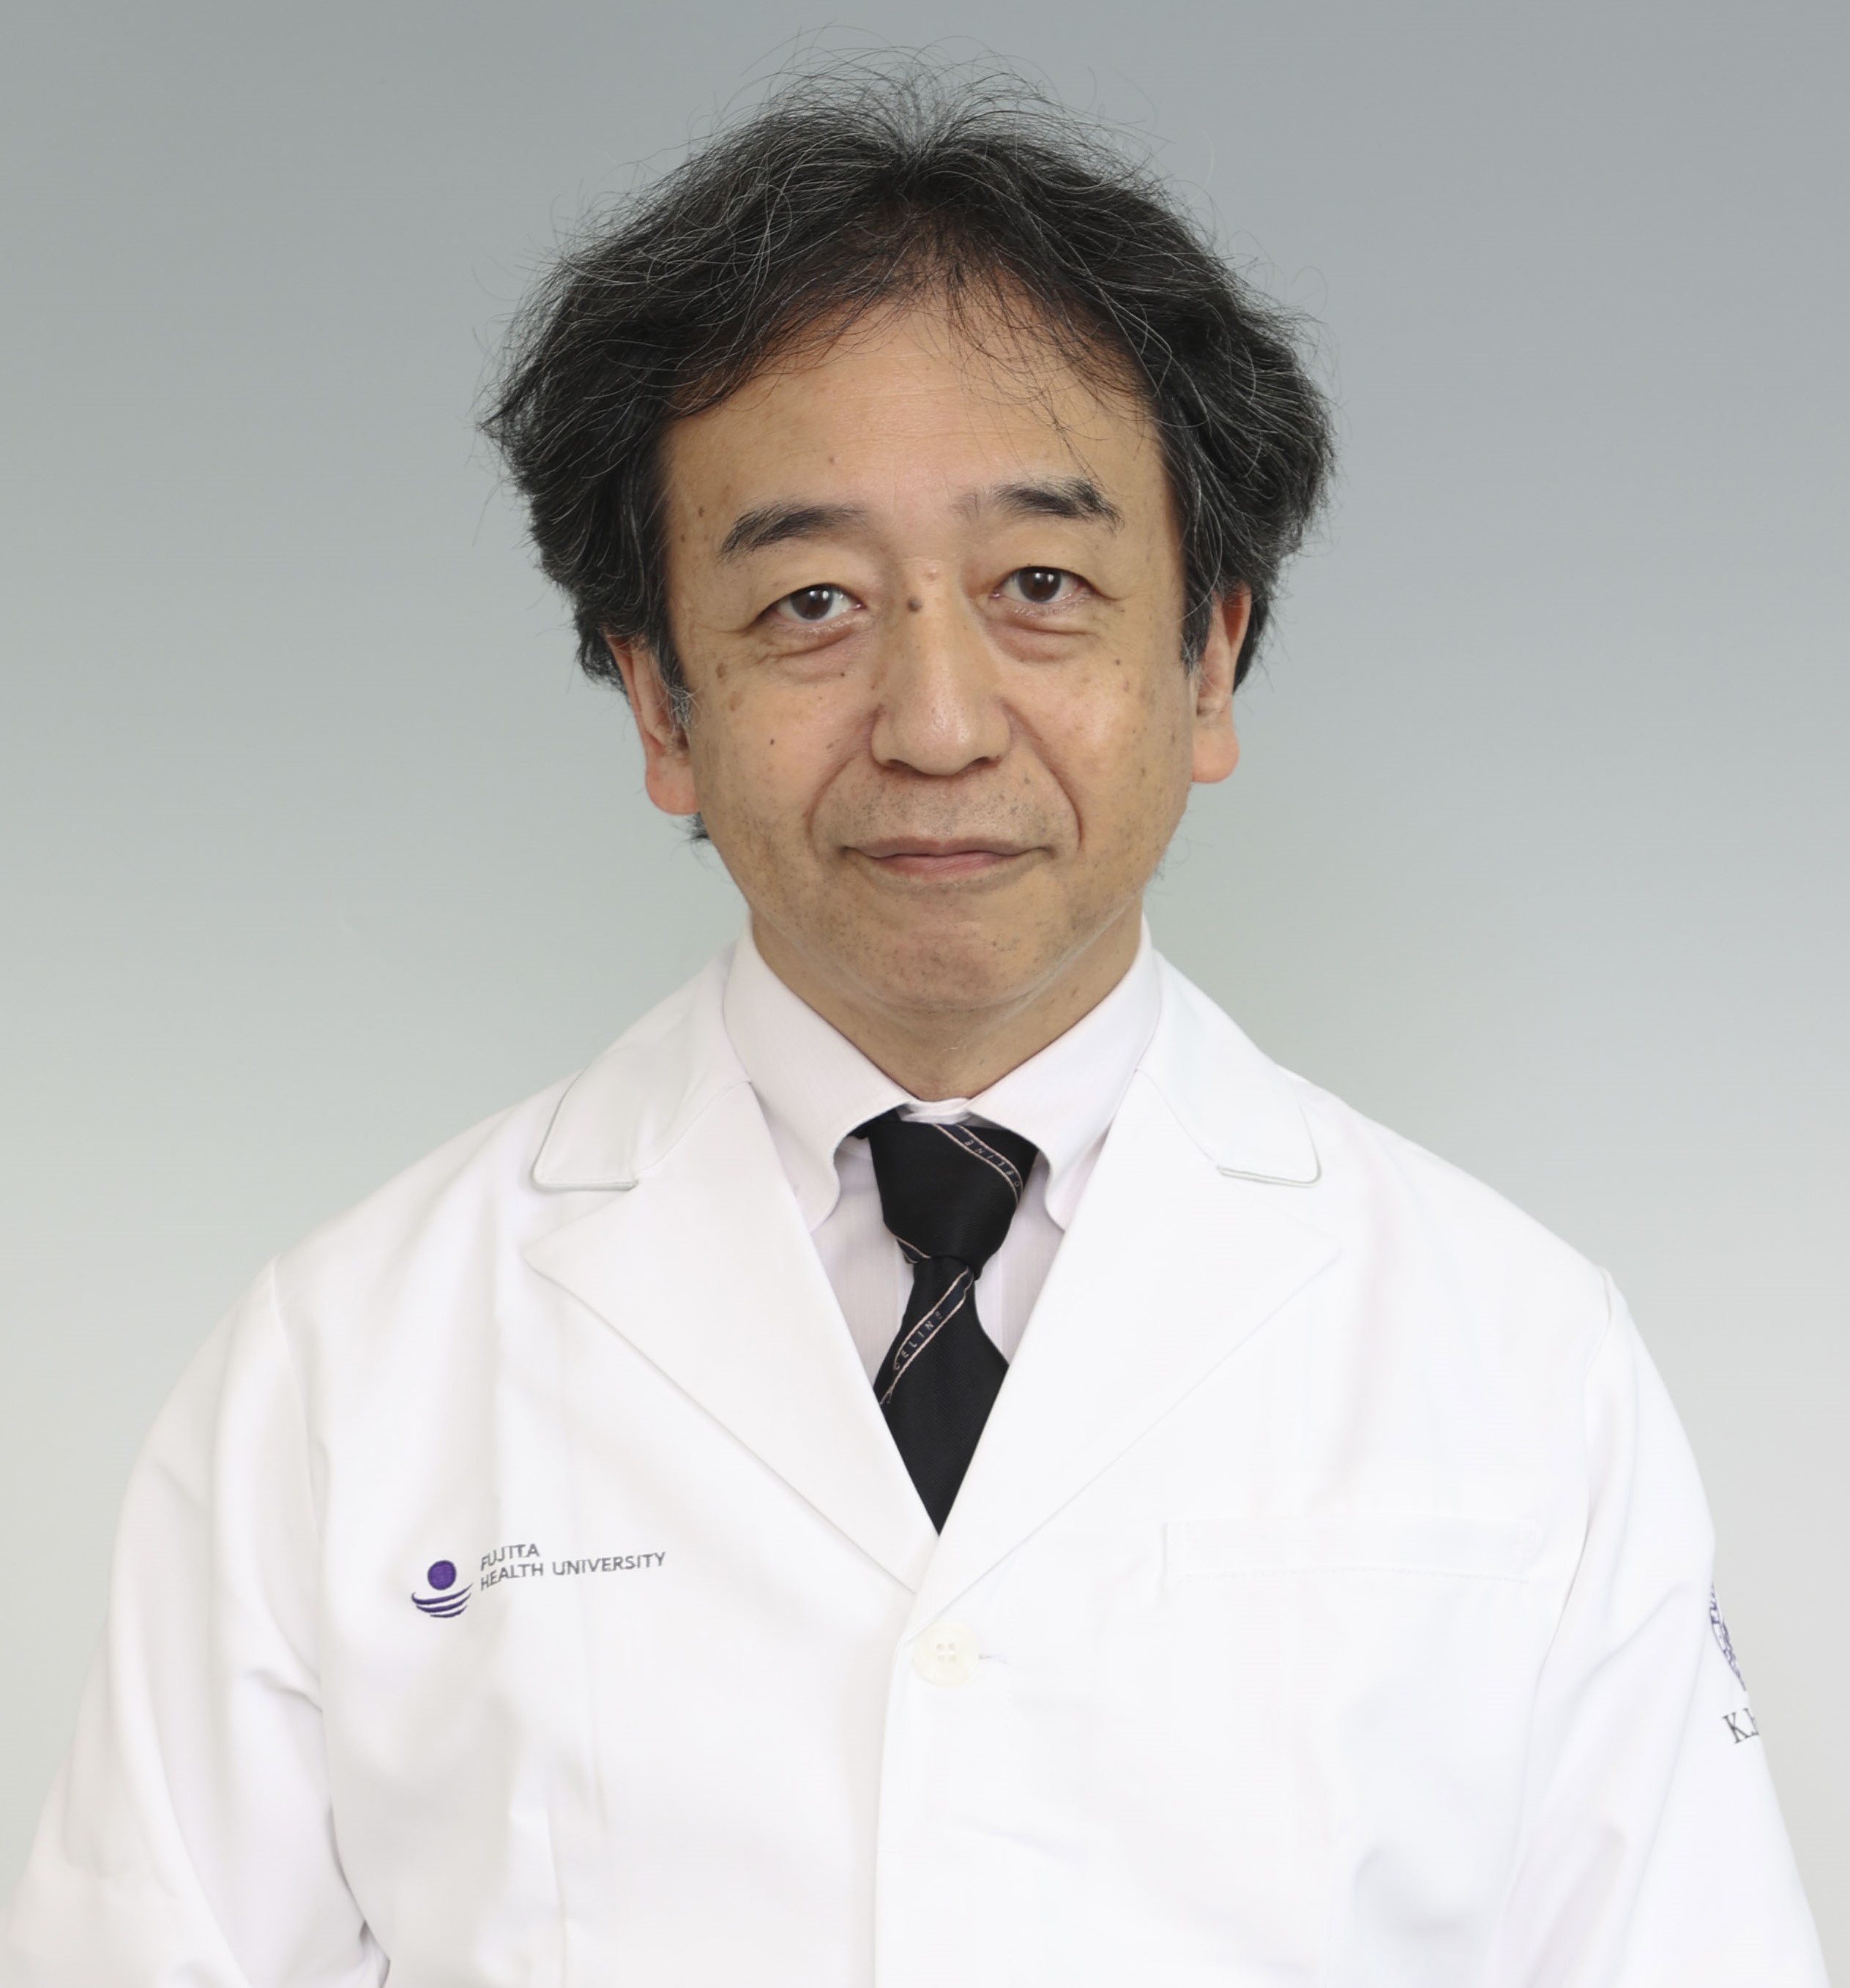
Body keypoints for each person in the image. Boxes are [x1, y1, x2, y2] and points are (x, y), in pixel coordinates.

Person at [1, 63, 1827, 1988]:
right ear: (660, 701)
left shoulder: (1521, 1362)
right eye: (811, 603)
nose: (936, 723)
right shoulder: (343, 1372)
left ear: (1208, 658)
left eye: (1041, 585)